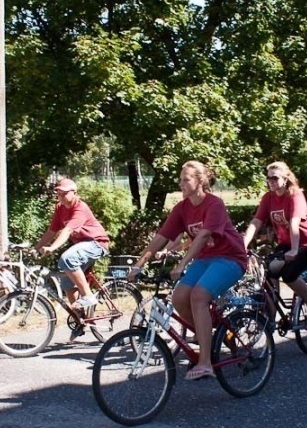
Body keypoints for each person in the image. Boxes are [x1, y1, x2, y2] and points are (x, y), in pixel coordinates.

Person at [127, 161, 247, 381]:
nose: (180, 184)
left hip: (230, 258)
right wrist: (139, 264)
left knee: (199, 296)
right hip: (205, 260)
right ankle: (211, 337)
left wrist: (182, 264)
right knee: (180, 297)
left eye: (186, 179)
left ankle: (205, 362)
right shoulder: (182, 208)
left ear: (200, 181)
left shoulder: (214, 204)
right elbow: (161, 237)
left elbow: (203, 235)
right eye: (180, 179)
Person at [243, 161, 307, 327]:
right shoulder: (268, 198)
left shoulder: (295, 195)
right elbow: (256, 222)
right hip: (287, 244)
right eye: (268, 178)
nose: (271, 181)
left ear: (285, 179)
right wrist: (243, 245)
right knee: (269, 271)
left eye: (275, 178)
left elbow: (294, 223)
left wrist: (294, 249)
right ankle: (271, 316)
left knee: (288, 275)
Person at [34, 177, 110, 318]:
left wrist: (52, 248)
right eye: (58, 193)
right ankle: (81, 319)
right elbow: (51, 231)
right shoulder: (60, 208)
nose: (61, 196)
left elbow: (67, 230)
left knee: (67, 258)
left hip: (96, 243)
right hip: (81, 246)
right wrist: (36, 248)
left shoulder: (80, 208)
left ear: (74, 193)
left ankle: (88, 296)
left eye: (64, 193)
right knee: (67, 281)